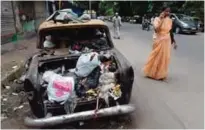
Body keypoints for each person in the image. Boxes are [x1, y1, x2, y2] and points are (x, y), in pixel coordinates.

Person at [143, 6, 177, 80]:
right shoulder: (157, 19)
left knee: (164, 57)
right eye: (166, 11)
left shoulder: (170, 20)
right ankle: (151, 72)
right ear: (162, 11)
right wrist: (161, 19)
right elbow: (156, 30)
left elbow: (170, 32)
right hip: (159, 39)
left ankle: (160, 74)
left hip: (167, 40)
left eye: (169, 11)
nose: (168, 13)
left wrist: (174, 42)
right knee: (156, 55)